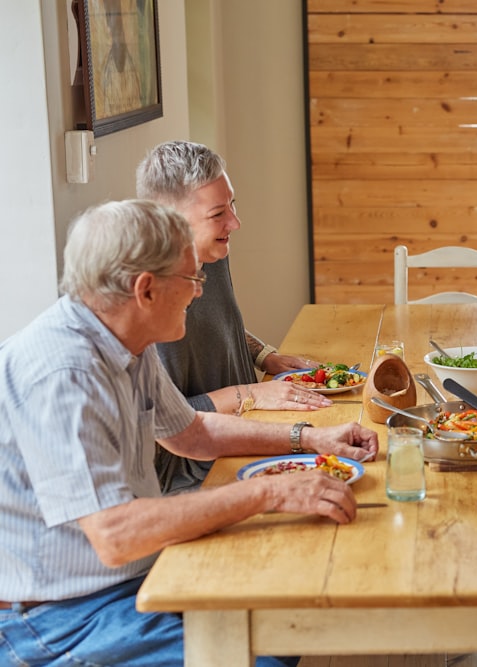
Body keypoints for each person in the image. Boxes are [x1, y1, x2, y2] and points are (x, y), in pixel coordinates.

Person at [0, 200, 378, 666]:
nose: (199, 293)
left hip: (125, 580)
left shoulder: (123, 340)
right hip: (59, 617)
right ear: (146, 290)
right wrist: (267, 494)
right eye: (191, 280)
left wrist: (309, 438)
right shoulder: (64, 375)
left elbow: (192, 434)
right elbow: (115, 535)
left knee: (288, 602)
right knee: (261, 655)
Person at [137, 140, 329, 493]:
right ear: (171, 224)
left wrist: (264, 356)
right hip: (200, 474)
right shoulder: (150, 300)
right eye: (217, 214)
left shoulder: (213, 251)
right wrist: (251, 394)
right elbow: (170, 423)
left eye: (232, 205)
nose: (235, 223)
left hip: (253, 427)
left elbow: (221, 322)